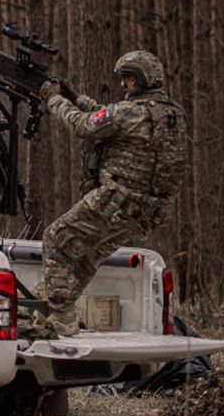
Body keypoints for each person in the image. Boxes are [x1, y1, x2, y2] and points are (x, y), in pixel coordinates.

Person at [32, 51, 188, 337]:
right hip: (147, 211)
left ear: (144, 79)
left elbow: (85, 125)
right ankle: (55, 310)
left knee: (56, 237)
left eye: (129, 78)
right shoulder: (171, 114)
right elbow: (108, 114)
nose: (124, 85)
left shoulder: (130, 113)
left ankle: (61, 317)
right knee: (87, 256)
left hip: (116, 200)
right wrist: (75, 96)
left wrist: (54, 99)